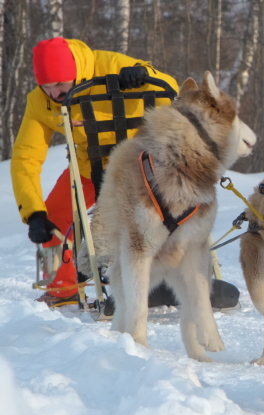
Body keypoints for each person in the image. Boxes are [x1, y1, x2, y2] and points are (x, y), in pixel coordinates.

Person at [11, 37, 180, 305]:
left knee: (159, 215)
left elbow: (170, 88)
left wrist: (143, 74)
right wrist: (32, 212)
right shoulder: (38, 102)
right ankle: (61, 288)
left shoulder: (111, 64)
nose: (55, 93)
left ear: (75, 72)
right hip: (90, 168)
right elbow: (25, 158)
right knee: (54, 213)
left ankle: (172, 276)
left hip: (143, 164)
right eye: (47, 86)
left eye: (60, 84)